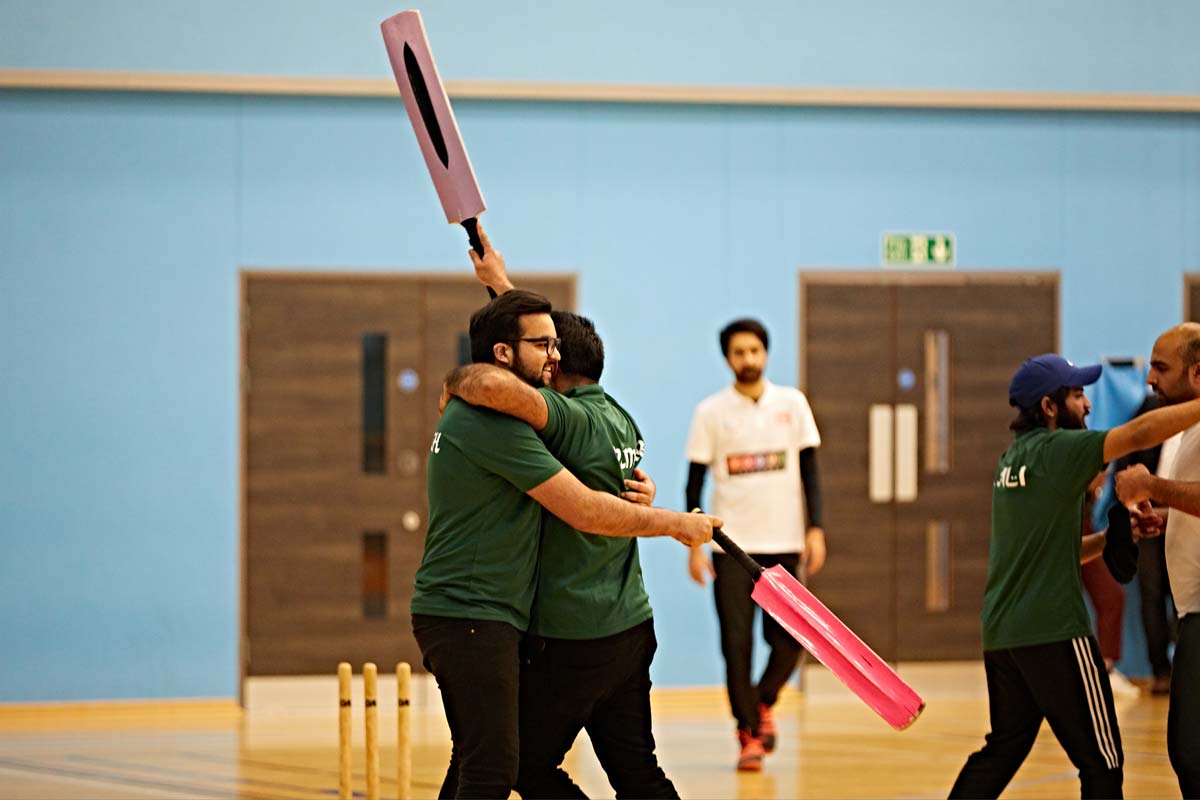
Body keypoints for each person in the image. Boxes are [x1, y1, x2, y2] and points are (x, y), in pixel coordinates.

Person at [411, 286, 719, 799]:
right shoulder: (605, 418)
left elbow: (503, 365)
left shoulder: (550, 417)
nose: (551, 356)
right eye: (542, 346)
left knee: (487, 762)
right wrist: (673, 523)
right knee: (495, 766)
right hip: (478, 613)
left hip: (546, 624)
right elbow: (580, 506)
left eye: (556, 346)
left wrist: (460, 369)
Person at [949, 352, 1200, 800]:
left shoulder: (1013, 461)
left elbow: (1051, 553)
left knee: (1002, 749)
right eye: (1079, 395)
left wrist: (1107, 539)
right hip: (1055, 631)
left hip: (1004, 636)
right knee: (1103, 763)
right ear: (1050, 407)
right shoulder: (1058, 449)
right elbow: (1139, 433)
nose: (1087, 405)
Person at [684, 318, 824, 771]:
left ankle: (762, 703)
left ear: (766, 353)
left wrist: (815, 529)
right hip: (732, 549)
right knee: (736, 645)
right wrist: (694, 545)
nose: (748, 359)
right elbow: (694, 484)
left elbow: (810, 471)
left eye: (755, 350)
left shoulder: (793, 404)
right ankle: (747, 733)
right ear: (728, 358)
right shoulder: (710, 412)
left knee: (791, 643)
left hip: (784, 543)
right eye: (739, 352)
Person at [1112, 323, 1200, 797]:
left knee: (1190, 750)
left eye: (1161, 367)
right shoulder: (1185, 428)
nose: (1149, 378)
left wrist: (1152, 488)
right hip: (1193, 612)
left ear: (1198, 373)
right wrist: (1168, 517)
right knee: (1186, 751)